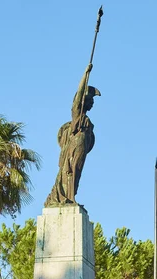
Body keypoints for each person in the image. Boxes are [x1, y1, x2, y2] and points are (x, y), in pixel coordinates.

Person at [45, 63, 101, 206]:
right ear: (85, 101)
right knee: (71, 169)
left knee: (77, 172)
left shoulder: (87, 119)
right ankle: (68, 196)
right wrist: (86, 74)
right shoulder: (77, 113)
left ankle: (71, 196)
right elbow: (79, 93)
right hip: (75, 144)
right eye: (92, 101)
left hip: (82, 145)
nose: (93, 104)